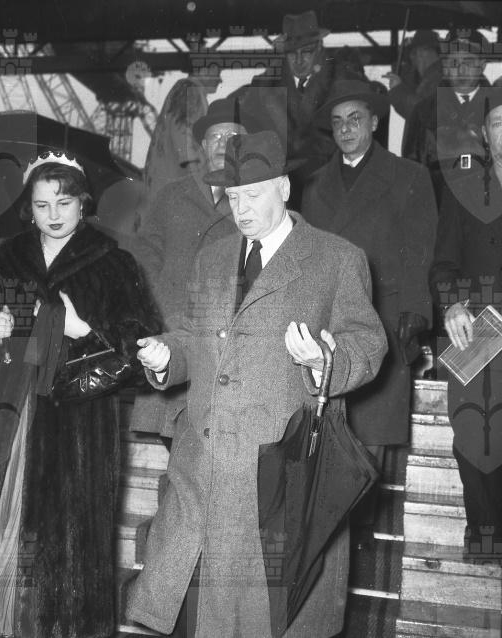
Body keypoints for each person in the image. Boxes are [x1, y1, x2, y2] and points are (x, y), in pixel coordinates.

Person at [126, 130, 387, 637]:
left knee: (265, 617)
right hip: (203, 466)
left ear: (284, 189)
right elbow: (192, 335)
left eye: (254, 194)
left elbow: (367, 342)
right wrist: (167, 356)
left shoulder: (335, 258)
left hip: (276, 475)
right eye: (233, 196)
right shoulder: (213, 256)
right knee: (194, 613)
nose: (241, 209)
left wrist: (325, 360)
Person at [0, 152, 159, 638]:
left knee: (63, 543)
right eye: (42, 204)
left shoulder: (114, 264)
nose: (54, 214)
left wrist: (82, 330)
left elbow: (141, 351)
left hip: (77, 422)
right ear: (28, 207)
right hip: (7, 412)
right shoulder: (5, 260)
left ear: (83, 203)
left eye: (64, 202)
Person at [302, 79, 437, 547]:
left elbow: (421, 251)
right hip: (327, 323)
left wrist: (416, 312)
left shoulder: (409, 177)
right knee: (329, 426)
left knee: (371, 431)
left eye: (355, 119)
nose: (346, 129)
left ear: (375, 123)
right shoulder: (314, 184)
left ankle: (361, 532)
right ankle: (332, 532)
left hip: (384, 319)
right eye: (338, 122)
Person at [129, 97, 260, 444]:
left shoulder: (256, 200)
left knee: (207, 436)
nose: (222, 145)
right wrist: (153, 304)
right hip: (167, 330)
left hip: (218, 339)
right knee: (170, 435)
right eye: (215, 137)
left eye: (233, 137)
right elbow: (145, 254)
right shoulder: (172, 195)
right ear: (202, 144)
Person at [429, 89, 502, 562]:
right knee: (475, 442)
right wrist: (454, 306)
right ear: (484, 135)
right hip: (477, 337)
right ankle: (485, 548)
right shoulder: (464, 191)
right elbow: (443, 264)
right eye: (499, 123)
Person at [235, 10, 340, 208]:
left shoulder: (337, 81)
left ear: (319, 47)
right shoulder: (266, 85)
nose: (299, 61)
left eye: (306, 52)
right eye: (292, 53)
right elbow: (245, 117)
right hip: (283, 196)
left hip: (328, 193)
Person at [402, 27, 491, 195]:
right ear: (445, 66)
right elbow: (411, 171)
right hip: (439, 205)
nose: (461, 70)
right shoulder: (423, 113)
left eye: (469, 62)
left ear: (482, 65)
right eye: (454, 62)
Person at [141, 75, 221, 204]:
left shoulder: (187, 90)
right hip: (177, 194)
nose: (220, 79)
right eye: (217, 71)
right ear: (204, 69)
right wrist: (199, 187)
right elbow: (184, 141)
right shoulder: (191, 90)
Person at [383, 29, 443, 121]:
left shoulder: (437, 78)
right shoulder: (433, 76)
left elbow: (423, 113)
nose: (411, 58)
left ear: (421, 53)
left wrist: (397, 90)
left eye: (413, 53)